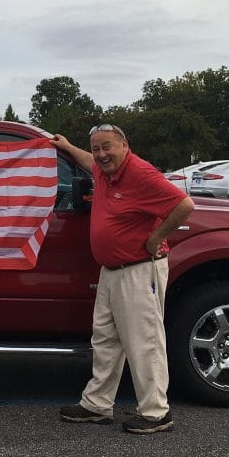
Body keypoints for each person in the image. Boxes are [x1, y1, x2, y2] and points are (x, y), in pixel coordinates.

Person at [49, 125, 194, 434]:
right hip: (112, 271)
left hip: (139, 270)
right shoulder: (105, 170)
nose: (102, 154)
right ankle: (97, 405)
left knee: (145, 343)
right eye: (98, 148)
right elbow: (89, 161)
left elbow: (184, 205)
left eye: (108, 147)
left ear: (125, 145)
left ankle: (155, 413)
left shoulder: (141, 174)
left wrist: (156, 238)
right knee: (105, 339)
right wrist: (67, 146)